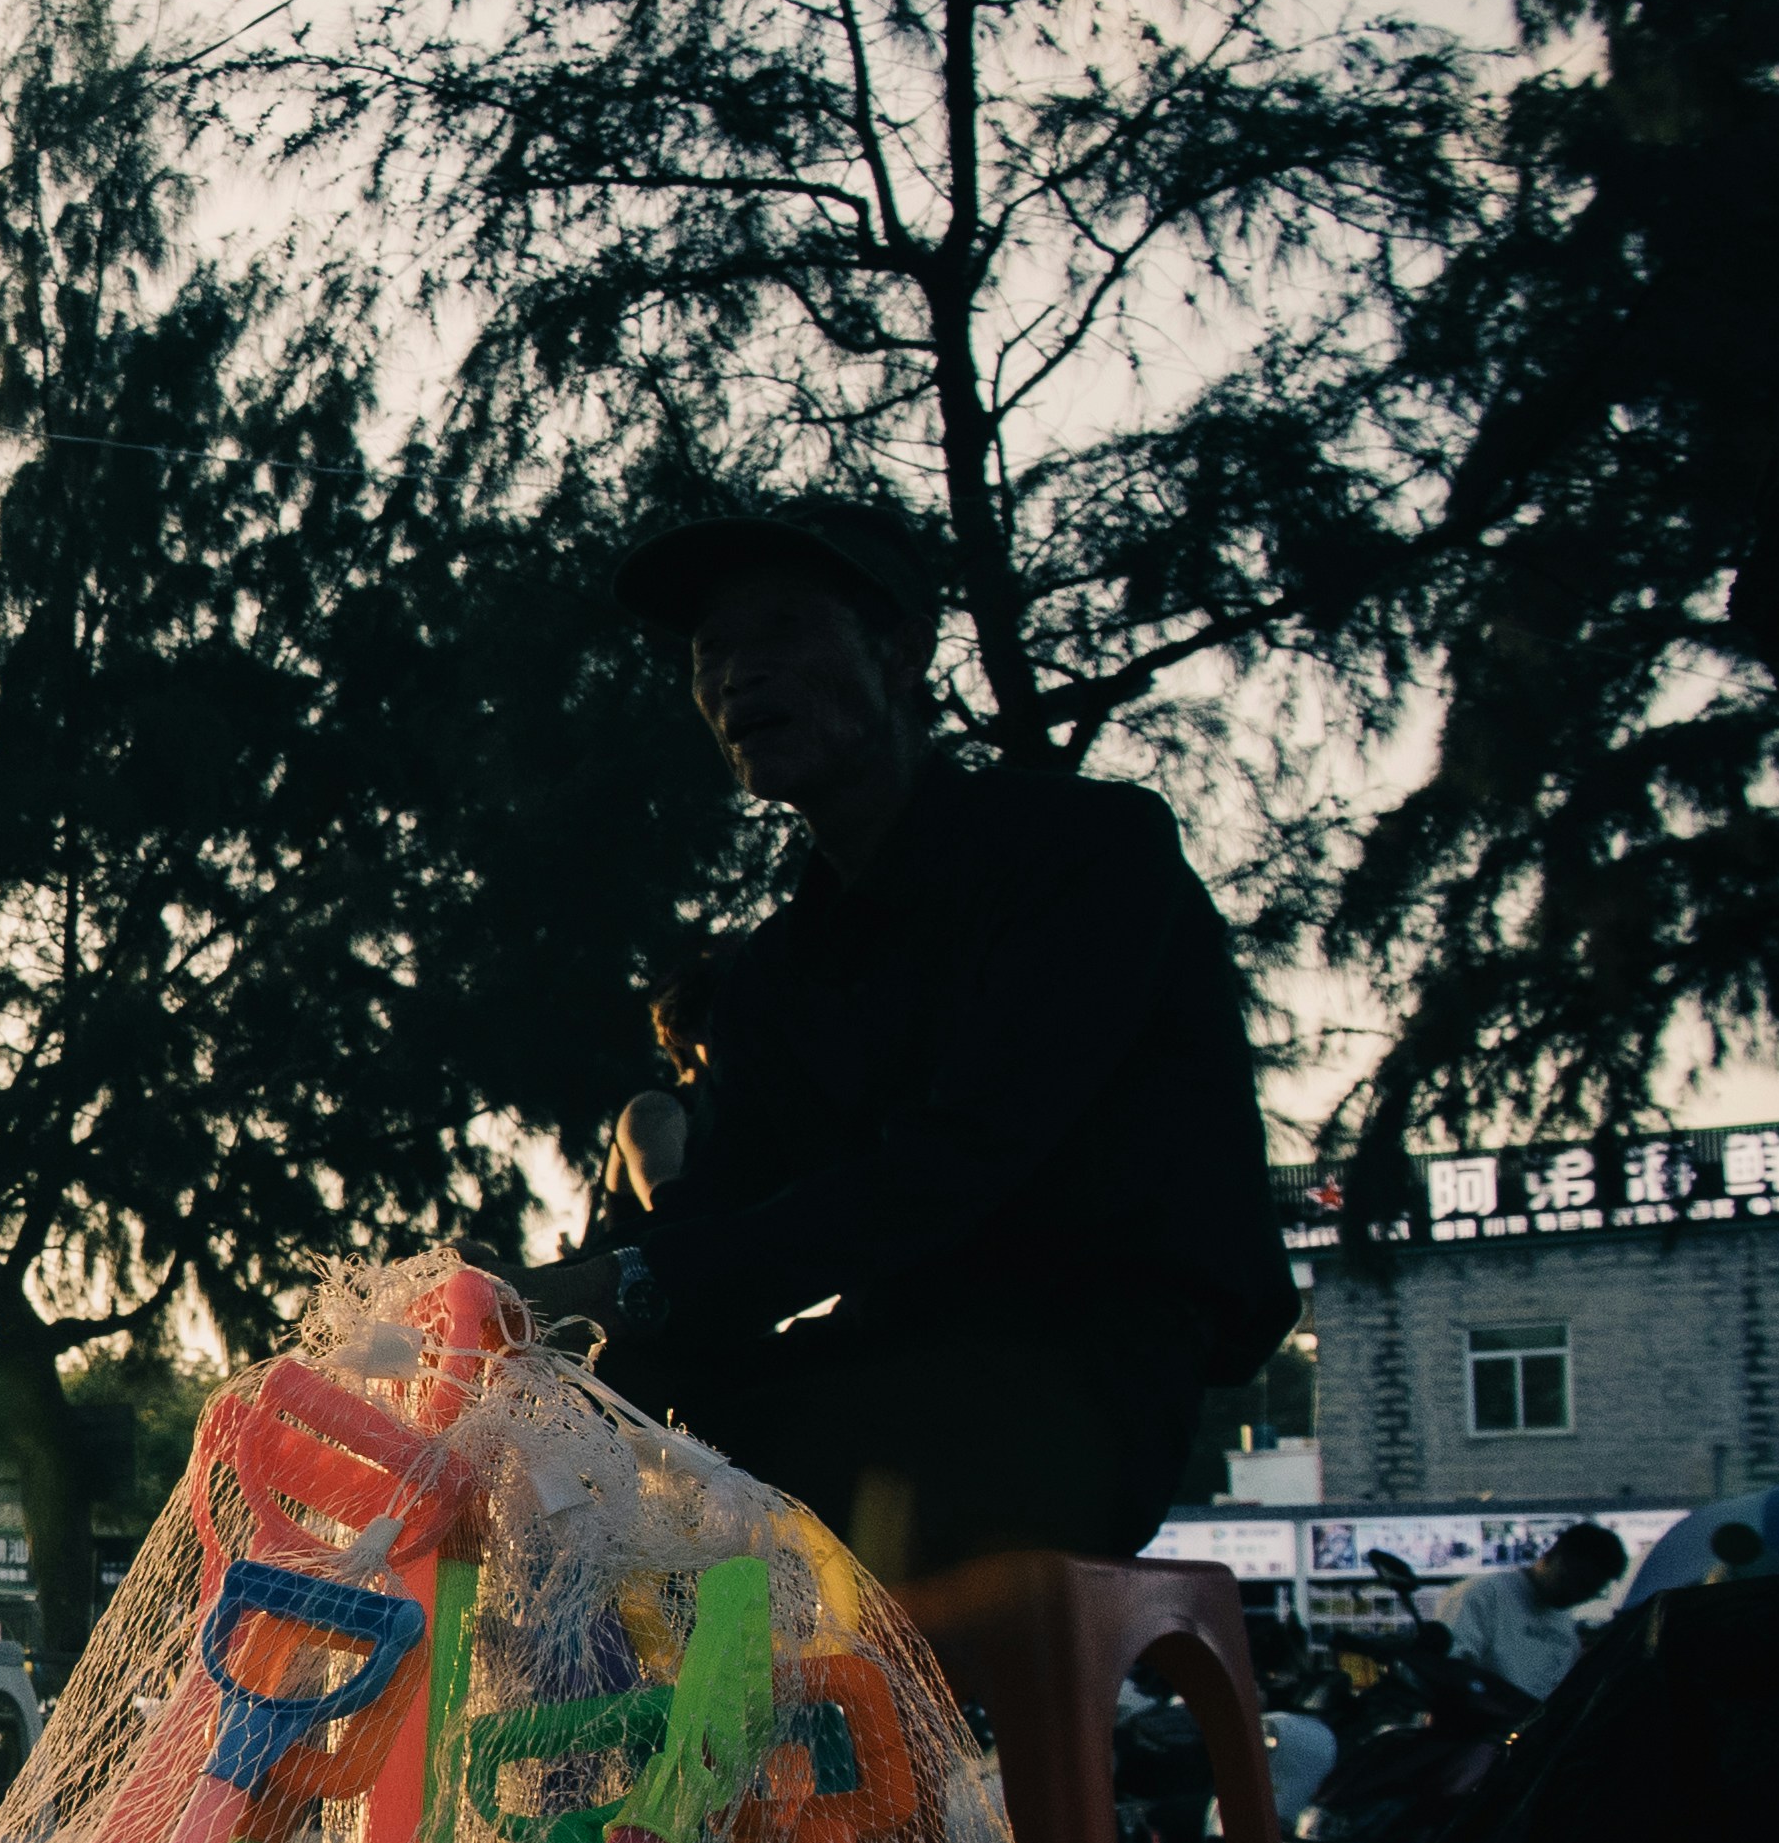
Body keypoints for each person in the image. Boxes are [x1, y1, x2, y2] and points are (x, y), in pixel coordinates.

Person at [511, 504, 1295, 1586]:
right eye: (712, 653)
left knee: (674, 1506)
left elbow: (958, 1162)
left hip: (1077, 1394)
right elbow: (726, 1215)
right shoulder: (776, 971)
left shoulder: (1086, 855)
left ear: (901, 652)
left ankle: (816, 1740)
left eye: (781, 633)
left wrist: (632, 1278)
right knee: (549, 1449)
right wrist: (538, 1319)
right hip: (873, 1371)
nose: (739, 675)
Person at [1433, 1524, 1627, 1708]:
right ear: (1552, 1556)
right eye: (1578, 1582)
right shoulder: (1482, 1594)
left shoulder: (1565, 1627)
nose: (1578, 1595)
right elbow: (1447, 1669)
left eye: (1591, 1591)